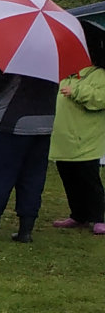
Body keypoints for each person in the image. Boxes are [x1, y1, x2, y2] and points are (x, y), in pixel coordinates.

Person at [0, 62, 57, 243]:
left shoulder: (13, 60)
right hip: (43, 124)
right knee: (33, 178)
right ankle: (25, 231)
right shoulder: (53, 62)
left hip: (10, 123)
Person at [48, 58, 105, 234]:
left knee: (89, 180)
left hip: (85, 141)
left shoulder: (99, 75)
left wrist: (76, 91)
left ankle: (98, 218)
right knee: (69, 179)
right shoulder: (65, 76)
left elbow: (101, 99)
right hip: (63, 141)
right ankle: (78, 215)